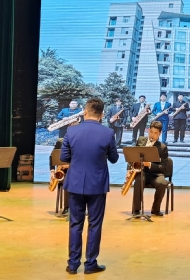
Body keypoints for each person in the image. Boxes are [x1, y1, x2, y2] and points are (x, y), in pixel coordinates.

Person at [61, 97, 119, 275]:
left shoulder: (71, 131)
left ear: (85, 112)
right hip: (97, 185)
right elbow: (114, 159)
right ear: (102, 115)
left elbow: (64, 157)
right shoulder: (108, 133)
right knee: (95, 225)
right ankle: (90, 264)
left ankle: (72, 264)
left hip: (75, 183)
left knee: (75, 224)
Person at [131, 121, 169, 217]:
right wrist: (129, 170)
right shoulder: (141, 140)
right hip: (142, 172)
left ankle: (155, 209)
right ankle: (136, 210)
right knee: (139, 181)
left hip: (155, 174)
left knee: (162, 183)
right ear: (148, 130)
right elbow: (132, 157)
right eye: (151, 132)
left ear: (159, 134)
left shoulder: (163, 148)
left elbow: (163, 168)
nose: (152, 135)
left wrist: (150, 164)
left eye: (155, 133)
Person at [49, 137, 70, 216]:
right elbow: (52, 156)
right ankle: (67, 207)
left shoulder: (80, 143)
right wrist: (52, 171)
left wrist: (69, 166)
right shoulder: (60, 142)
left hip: (75, 170)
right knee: (67, 181)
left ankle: (79, 207)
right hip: (63, 172)